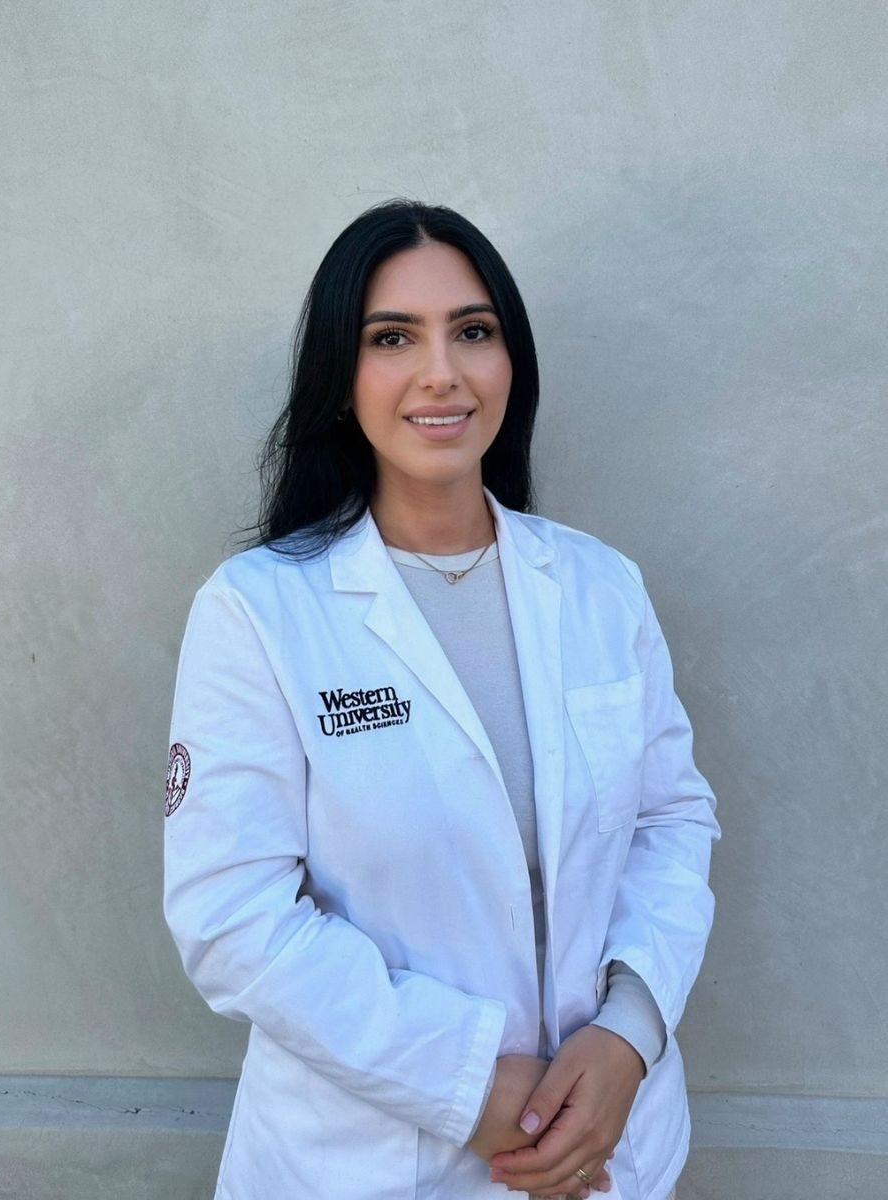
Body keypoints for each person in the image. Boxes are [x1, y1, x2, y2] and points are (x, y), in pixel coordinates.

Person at [162, 200, 720, 1200]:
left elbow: (668, 821)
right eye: (392, 338)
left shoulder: (598, 586)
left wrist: (628, 1035)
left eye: (472, 331)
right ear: (340, 378)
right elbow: (231, 918)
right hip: (368, 1166)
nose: (440, 372)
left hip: (612, 1149)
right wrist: (465, 1085)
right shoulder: (260, 612)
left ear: (511, 361)